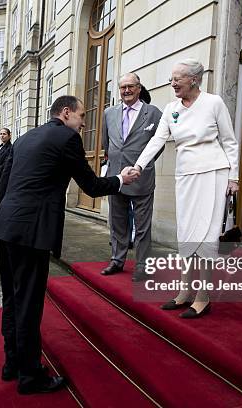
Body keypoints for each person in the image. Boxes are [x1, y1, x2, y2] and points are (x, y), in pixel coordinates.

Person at [0, 95, 139, 394]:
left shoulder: (26, 137)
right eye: (81, 116)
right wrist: (121, 179)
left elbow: (3, 184)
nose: (84, 123)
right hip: (31, 232)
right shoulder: (66, 138)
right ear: (66, 113)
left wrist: (10, 215)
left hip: (6, 226)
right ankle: (30, 376)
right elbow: (92, 186)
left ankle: (12, 363)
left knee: (12, 299)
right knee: (29, 304)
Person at [133, 59, 240, 318]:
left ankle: (202, 297)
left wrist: (234, 177)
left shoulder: (213, 103)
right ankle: (183, 292)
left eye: (177, 78)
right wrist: (138, 166)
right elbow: (157, 140)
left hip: (213, 173)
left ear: (194, 79)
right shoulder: (171, 109)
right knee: (187, 233)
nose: (173, 83)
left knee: (205, 234)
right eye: (172, 78)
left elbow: (229, 141)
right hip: (186, 176)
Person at [101, 73, 163, 282]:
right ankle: (117, 260)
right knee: (117, 222)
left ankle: (142, 265)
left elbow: (158, 144)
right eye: (122, 87)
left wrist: (144, 165)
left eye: (130, 86)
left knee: (142, 226)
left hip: (141, 179)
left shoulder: (153, 113)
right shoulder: (109, 113)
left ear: (139, 88)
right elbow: (106, 145)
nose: (126, 90)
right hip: (116, 178)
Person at [0, 128, 12, 207]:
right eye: (1, 134)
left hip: (2, 178)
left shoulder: (10, 148)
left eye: (4, 134)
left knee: (1, 203)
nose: (2, 136)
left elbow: (6, 164)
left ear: (9, 136)